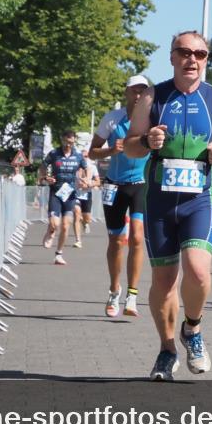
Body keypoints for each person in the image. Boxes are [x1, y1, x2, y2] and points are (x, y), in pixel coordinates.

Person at [125, 32, 212, 380]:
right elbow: (129, 145)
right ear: (173, 57)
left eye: (200, 54)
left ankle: (192, 328)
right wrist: (147, 140)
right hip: (160, 200)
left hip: (199, 199)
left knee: (198, 271)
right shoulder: (152, 96)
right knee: (163, 281)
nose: (192, 59)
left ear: (206, 59)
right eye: (185, 52)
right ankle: (166, 349)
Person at [89, 75, 151, 317]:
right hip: (114, 185)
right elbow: (92, 152)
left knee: (137, 236)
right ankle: (114, 290)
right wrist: (109, 150)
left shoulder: (152, 119)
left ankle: (132, 295)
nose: (138, 96)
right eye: (134, 91)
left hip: (140, 184)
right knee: (116, 241)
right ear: (126, 92)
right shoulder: (112, 119)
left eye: (143, 91)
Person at [38, 129, 88, 266]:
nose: (68, 145)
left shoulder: (78, 155)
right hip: (56, 192)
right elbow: (43, 166)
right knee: (55, 223)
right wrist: (45, 177)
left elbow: (86, 169)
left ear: (74, 141)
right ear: (62, 140)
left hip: (70, 193)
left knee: (66, 226)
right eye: (66, 142)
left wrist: (85, 180)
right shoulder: (54, 153)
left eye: (71, 142)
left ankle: (59, 254)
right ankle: (51, 229)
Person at [72, 151, 99, 249]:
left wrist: (89, 184)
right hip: (75, 194)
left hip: (87, 195)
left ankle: (85, 222)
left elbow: (98, 182)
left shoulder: (92, 167)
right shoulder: (74, 167)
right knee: (76, 214)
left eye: (86, 156)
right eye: (83, 156)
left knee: (87, 218)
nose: (85, 158)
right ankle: (78, 241)